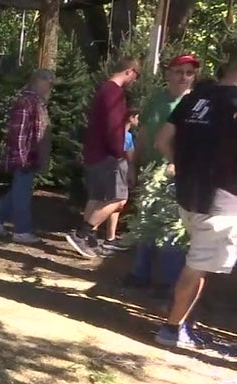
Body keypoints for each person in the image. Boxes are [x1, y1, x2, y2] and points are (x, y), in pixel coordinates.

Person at [152, 53, 237, 351]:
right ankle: (171, 329)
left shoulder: (195, 98)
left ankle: (183, 322)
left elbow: (162, 140)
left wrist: (183, 167)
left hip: (189, 197)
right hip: (222, 205)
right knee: (197, 266)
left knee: (199, 264)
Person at [123, 54, 201, 292]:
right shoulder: (156, 99)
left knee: (171, 229)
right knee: (144, 222)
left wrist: (178, 164)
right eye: (179, 72)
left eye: (189, 73)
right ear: (168, 74)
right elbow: (144, 135)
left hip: (177, 174)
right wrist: (134, 166)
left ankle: (169, 283)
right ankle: (140, 274)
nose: (184, 77)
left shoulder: (197, 104)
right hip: (150, 171)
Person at [65, 57, 141, 258]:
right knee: (119, 198)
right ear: (129, 71)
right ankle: (81, 234)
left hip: (95, 153)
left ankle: (89, 241)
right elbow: (113, 126)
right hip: (108, 155)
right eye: (136, 75)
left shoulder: (104, 90)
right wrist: (119, 151)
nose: (135, 80)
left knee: (97, 197)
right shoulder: (114, 92)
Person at [0, 69, 55, 244]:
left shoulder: (38, 103)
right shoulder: (26, 102)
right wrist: (21, 158)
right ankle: (21, 231)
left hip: (31, 155)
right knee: (22, 193)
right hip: (25, 156)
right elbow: (18, 133)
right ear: (39, 82)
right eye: (49, 83)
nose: (50, 87)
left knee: (20, 190)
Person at [100, 107, 140, 251]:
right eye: (137, 117)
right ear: (131, 118)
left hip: (107, 169)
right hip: (119, 170)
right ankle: (89, 230)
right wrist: (132, 174)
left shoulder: (113, 133)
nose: (139, 121)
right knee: (118, 201)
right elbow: (130, 158)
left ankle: (110, 237)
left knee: (114, 203)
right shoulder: (125, 136)